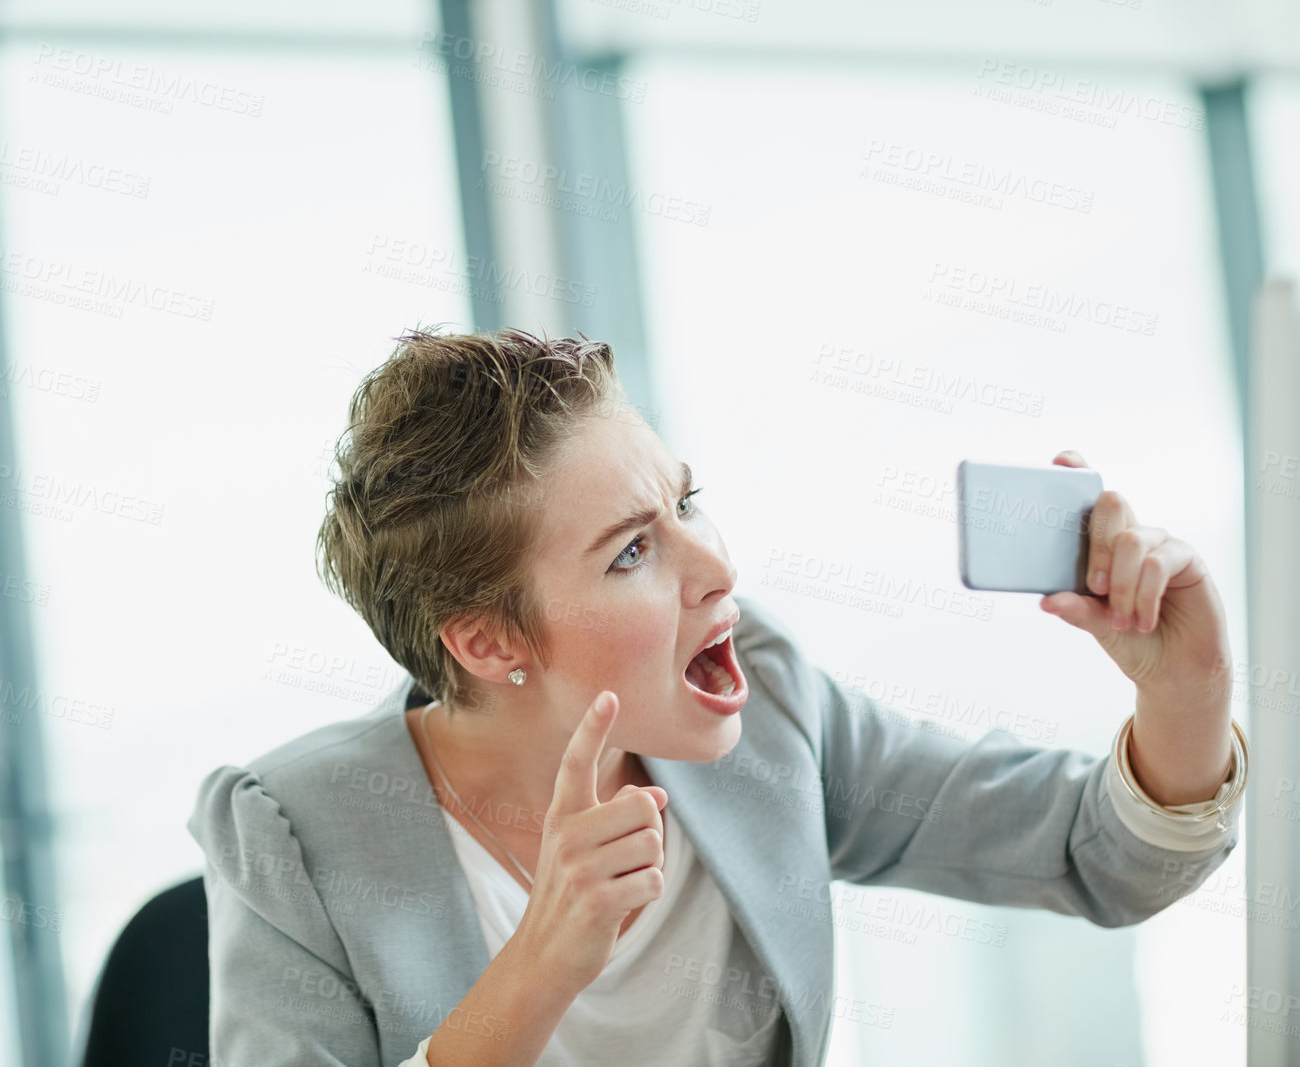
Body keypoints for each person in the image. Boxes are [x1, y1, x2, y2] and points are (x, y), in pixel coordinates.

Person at [187, 326, 1246, 1066]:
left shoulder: (770, 706)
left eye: (686, 500)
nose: (717, 565)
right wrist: (545, 955)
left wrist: (1184, 687)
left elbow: (1095, 856)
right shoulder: (292, 830)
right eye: (634, 549)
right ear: (486, 639)